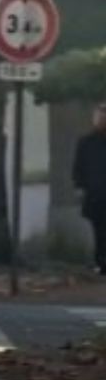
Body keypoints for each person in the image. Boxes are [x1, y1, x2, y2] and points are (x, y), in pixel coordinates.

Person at [72, 102, 106, 275]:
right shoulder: (86, 142)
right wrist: (79, 187)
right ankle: (101, 263)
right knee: (99, 230)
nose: (102, 119)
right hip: (96, 194)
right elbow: (78, 167)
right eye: (100, 115)